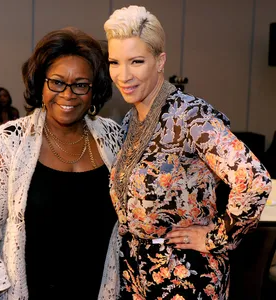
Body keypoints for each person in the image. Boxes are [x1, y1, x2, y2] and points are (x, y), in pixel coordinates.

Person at [99, 5, 272, 299]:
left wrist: (217, 237)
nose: (123, 75)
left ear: (160, 61)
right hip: (136, 275)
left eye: (136, 61)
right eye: (115, 62)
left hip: (186, 278)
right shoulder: (131, 119)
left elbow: (255, 180)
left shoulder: (191, 117)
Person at [0, 27, 123, 300]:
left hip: (99, 290)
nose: (68, 94)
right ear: (41, 83)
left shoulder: (113, 139)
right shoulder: (8, 142)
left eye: (81, 84)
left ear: (94, 90)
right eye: (57, 82)